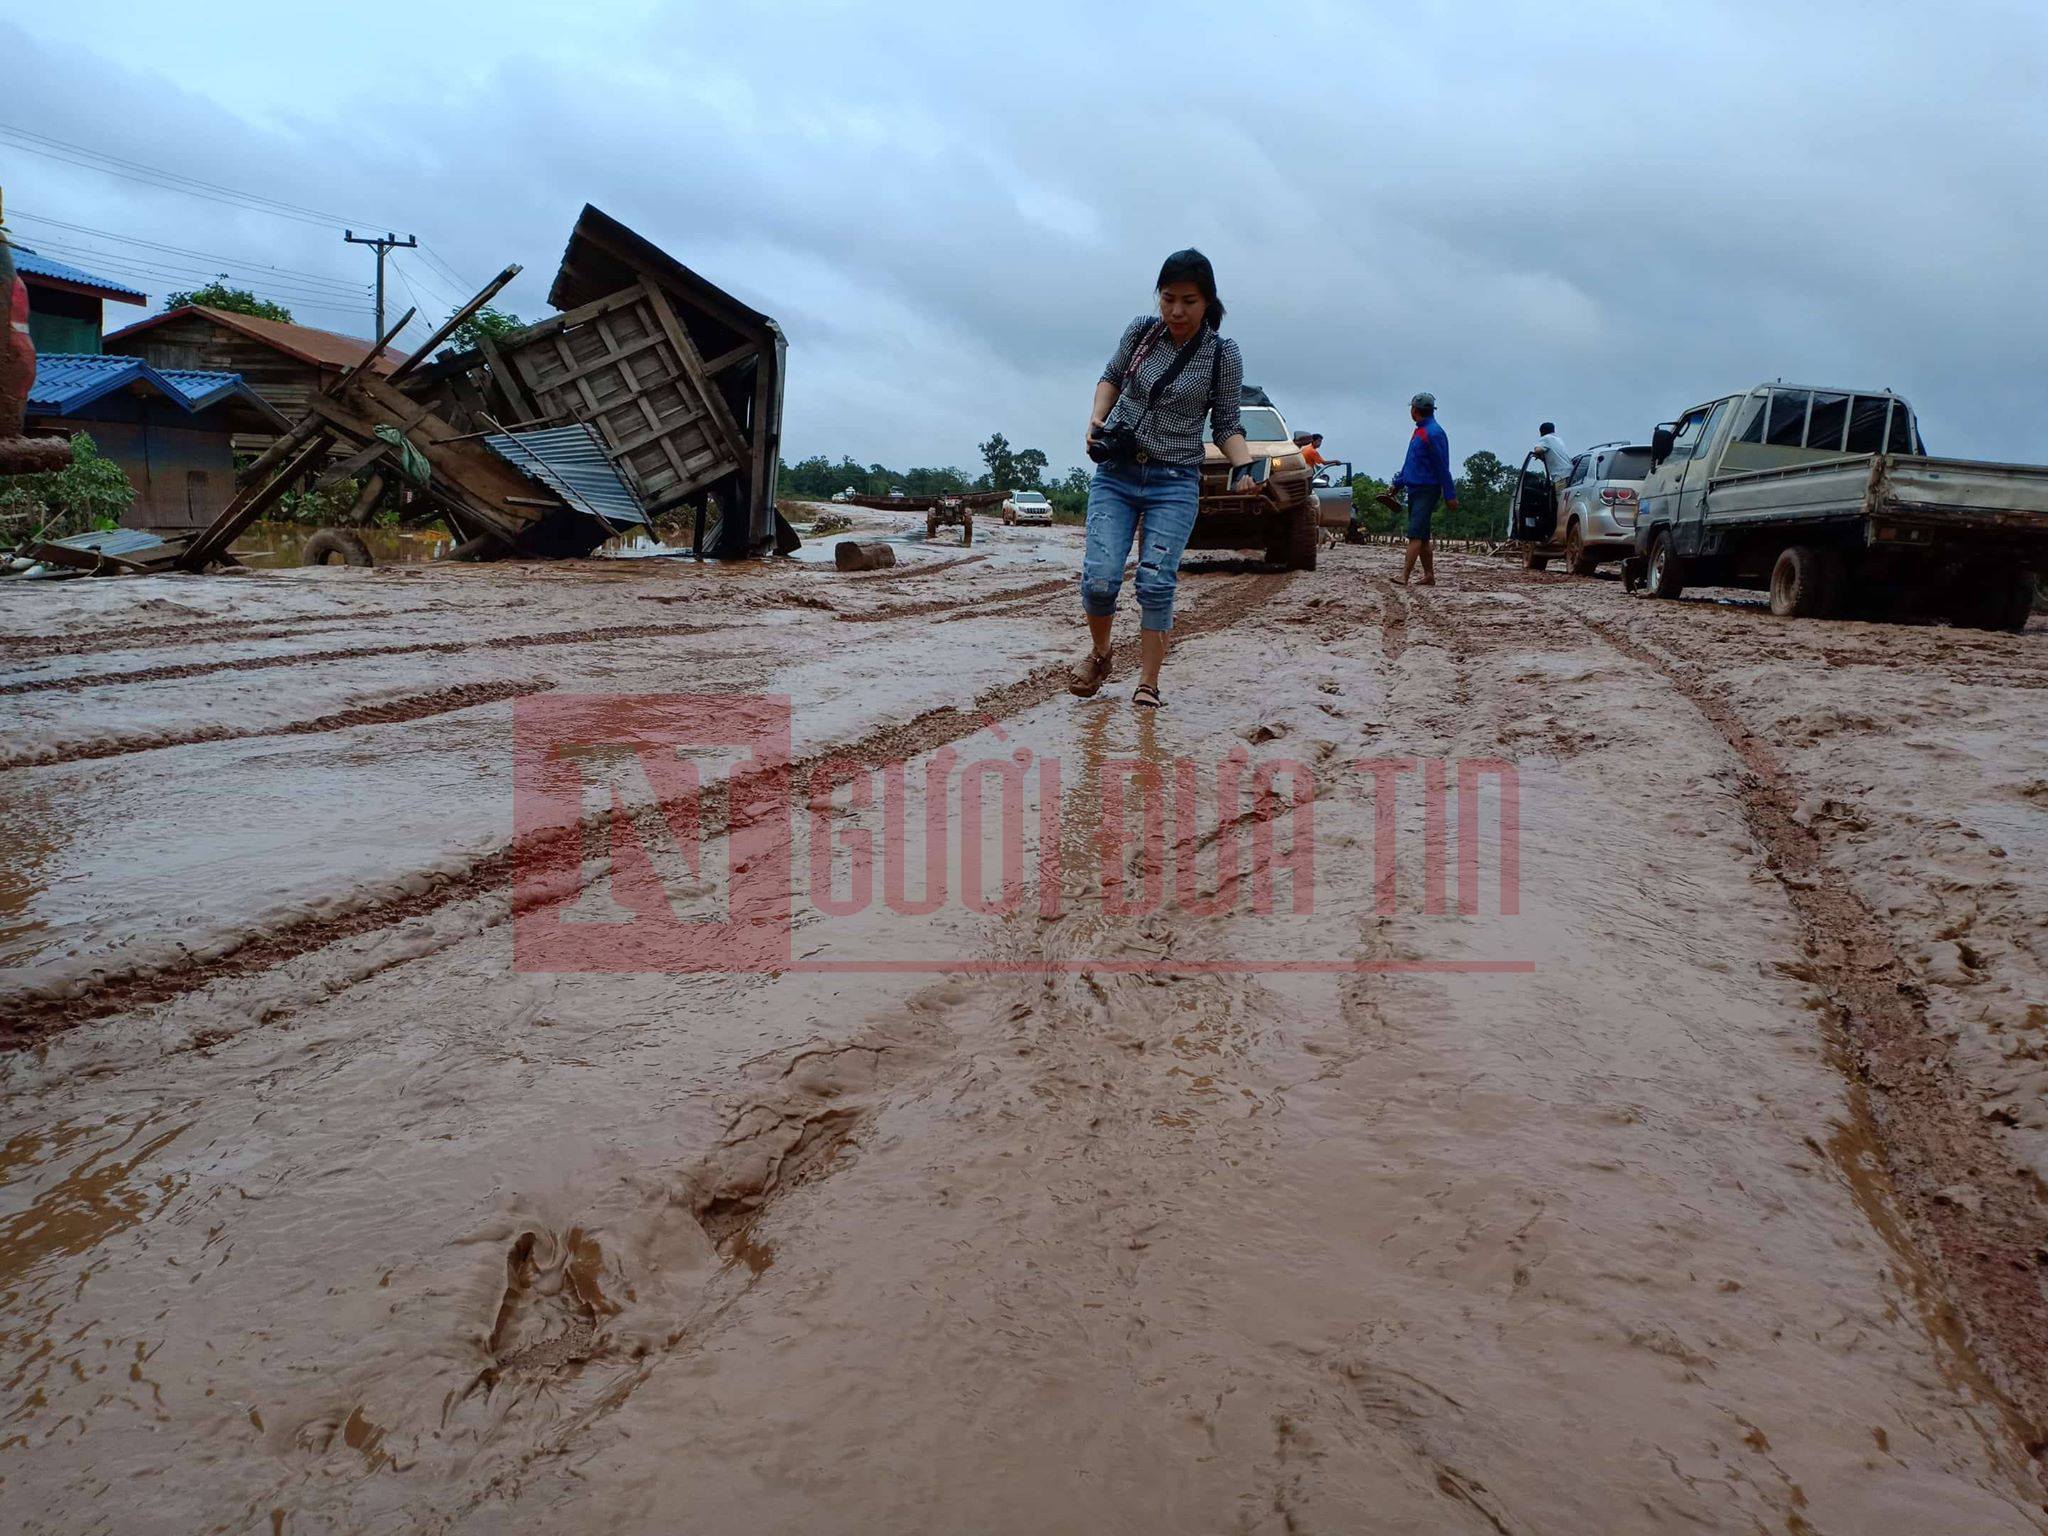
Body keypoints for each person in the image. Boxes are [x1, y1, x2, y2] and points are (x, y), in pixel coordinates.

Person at [1070, 248, 1259, 709]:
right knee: (1099, 579)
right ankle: (1101, 654)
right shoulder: (1141, 332)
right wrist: (1096, 418)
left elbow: (1227, 424)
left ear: (1208, 301)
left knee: (1155, 582)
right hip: (1116, 473)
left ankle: (1148, 683)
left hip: (1174, 481)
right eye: (1168, 298)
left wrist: (1244, 465)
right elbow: (1111, 377)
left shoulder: (1222, 355)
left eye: (1189, 301)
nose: (1176, 310)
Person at [1391, 391, 1457, 586]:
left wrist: (1450, 494)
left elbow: (1442, 466)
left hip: (1427, 490)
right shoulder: (1419, 431)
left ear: (1415, 410)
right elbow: (1410, 463)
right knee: (1424, 537)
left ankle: (1404, 576)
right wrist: (1397, 483)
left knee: (1415, 534)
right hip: (1414, 488)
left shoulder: (1434, 433)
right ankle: (1429, 576)